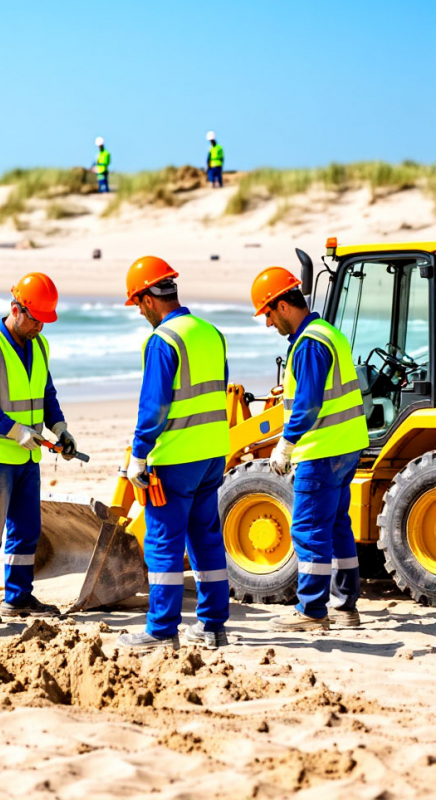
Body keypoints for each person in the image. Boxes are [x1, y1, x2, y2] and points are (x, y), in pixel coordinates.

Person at [116, 257, 231, 652]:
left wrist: (139, 455)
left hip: (175, 458)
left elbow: (154, 406)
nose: (141, 312)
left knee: (164, 542)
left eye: (139, 304)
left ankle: (162, 632)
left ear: (149, 298)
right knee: (206, 540)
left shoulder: (163, 340)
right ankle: (213, 627)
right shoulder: (210, 333)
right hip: (214, 453)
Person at [252, 268, 368, 631]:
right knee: (336, 526)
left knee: (306, 529)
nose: (269, 324)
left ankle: (313, 612)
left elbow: (307, 404)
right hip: (346, 446)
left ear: (283, 306)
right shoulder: (329, 333)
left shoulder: (309, 344)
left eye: (269, 314)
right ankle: (345, 606)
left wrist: (285, 444)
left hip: (322, 450)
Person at [0, 273, 78, 624]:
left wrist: (59, 428)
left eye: (45, 321)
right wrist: (16, 431)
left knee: (26, 530)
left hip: (28, 457)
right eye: (35, 319)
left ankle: (18, 598)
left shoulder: (39, 345)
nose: (39, 327)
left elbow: (46, 394)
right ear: (16, 309)